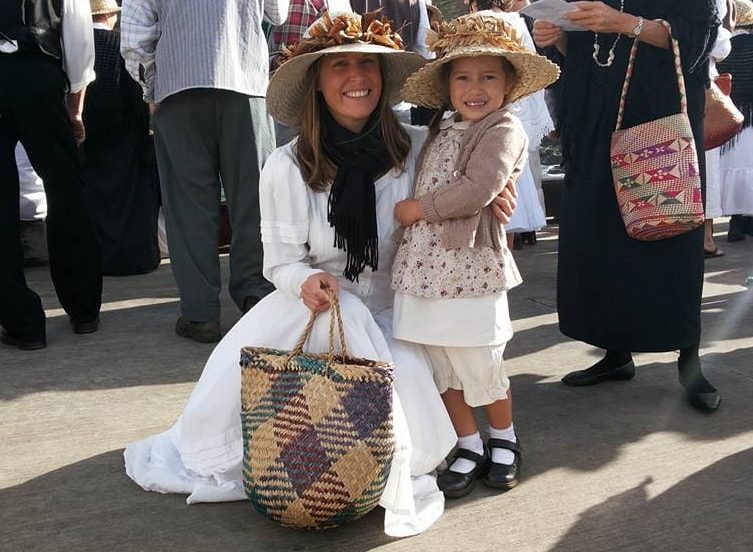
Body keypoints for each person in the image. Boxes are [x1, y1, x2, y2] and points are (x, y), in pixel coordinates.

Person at [124, 11, 519, 536]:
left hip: (402, 310)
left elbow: (472, 176)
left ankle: (493, 439)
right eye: (340, 67)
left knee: (424, 407)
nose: (357, 78)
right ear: (317, 82)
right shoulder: (289, 165)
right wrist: (302, 282)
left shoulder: (417, 147)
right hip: (319, 310)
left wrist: (497, 197)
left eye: (367, 65)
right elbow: (278, 261)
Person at [392, 14, 558, 498]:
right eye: (462, 77)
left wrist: (417, 209)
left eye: (489, 76)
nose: (475, 88)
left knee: (479, 360)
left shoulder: (503, 129)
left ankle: (503, 438)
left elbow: (479, 188)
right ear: (447, 87)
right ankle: (468, 441)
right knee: (439, 362)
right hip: (423, 269)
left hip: (468, 268)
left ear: (509, 84)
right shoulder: (443, 128)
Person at [533, 1, 721, 412]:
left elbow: (695, 41)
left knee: (670, 244)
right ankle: (615, 354)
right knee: (600, 244)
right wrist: (559, 39)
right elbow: (586, 59)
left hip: (659, 127)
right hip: (594, 129)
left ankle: (690, 363)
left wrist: (625, 24)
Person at [120, 0, 288, 343]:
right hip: (245, 81)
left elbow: (135, 36)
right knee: (255, 200)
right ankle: (255, 294)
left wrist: (150, 86)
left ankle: (200, 314)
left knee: (187, 208)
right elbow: (278, 12)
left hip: (177, 87)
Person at [1, 0, 102, 351]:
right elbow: (77, 33)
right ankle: (83, 308)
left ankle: (22, 322)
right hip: (38, 72)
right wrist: (76, 106)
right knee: (66, 189)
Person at [83, 0, 160, 276]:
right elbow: (137, 90)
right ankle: (135, 257)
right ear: (108, 15)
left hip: (88, 140)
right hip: (127, 138)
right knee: (133, 203)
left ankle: (99, 259)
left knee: (95, 203)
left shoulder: (73, 47)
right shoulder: (118, 45)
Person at [472, 0, 554, 247]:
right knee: (512, 190)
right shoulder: (517, 22)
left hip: (491, 116)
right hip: (515, 114)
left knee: (496, 190)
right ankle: (506, 257)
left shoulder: (479, 23)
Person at [719, 0, 753, 240]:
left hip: (728, 118)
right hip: (750, 117)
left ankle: (734, 223)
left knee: (731, 170)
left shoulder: (725, 44)